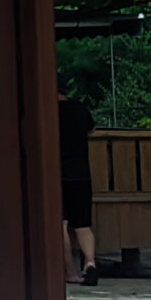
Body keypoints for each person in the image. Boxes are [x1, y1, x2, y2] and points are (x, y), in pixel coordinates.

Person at [58, 92, 98, 285]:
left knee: (61, 224)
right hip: (81, 172)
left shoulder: (45, 111)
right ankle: (90, 263)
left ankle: (70, 272)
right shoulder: (80, 109)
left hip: (55, 174)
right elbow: (91, 130)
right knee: (83, 225)